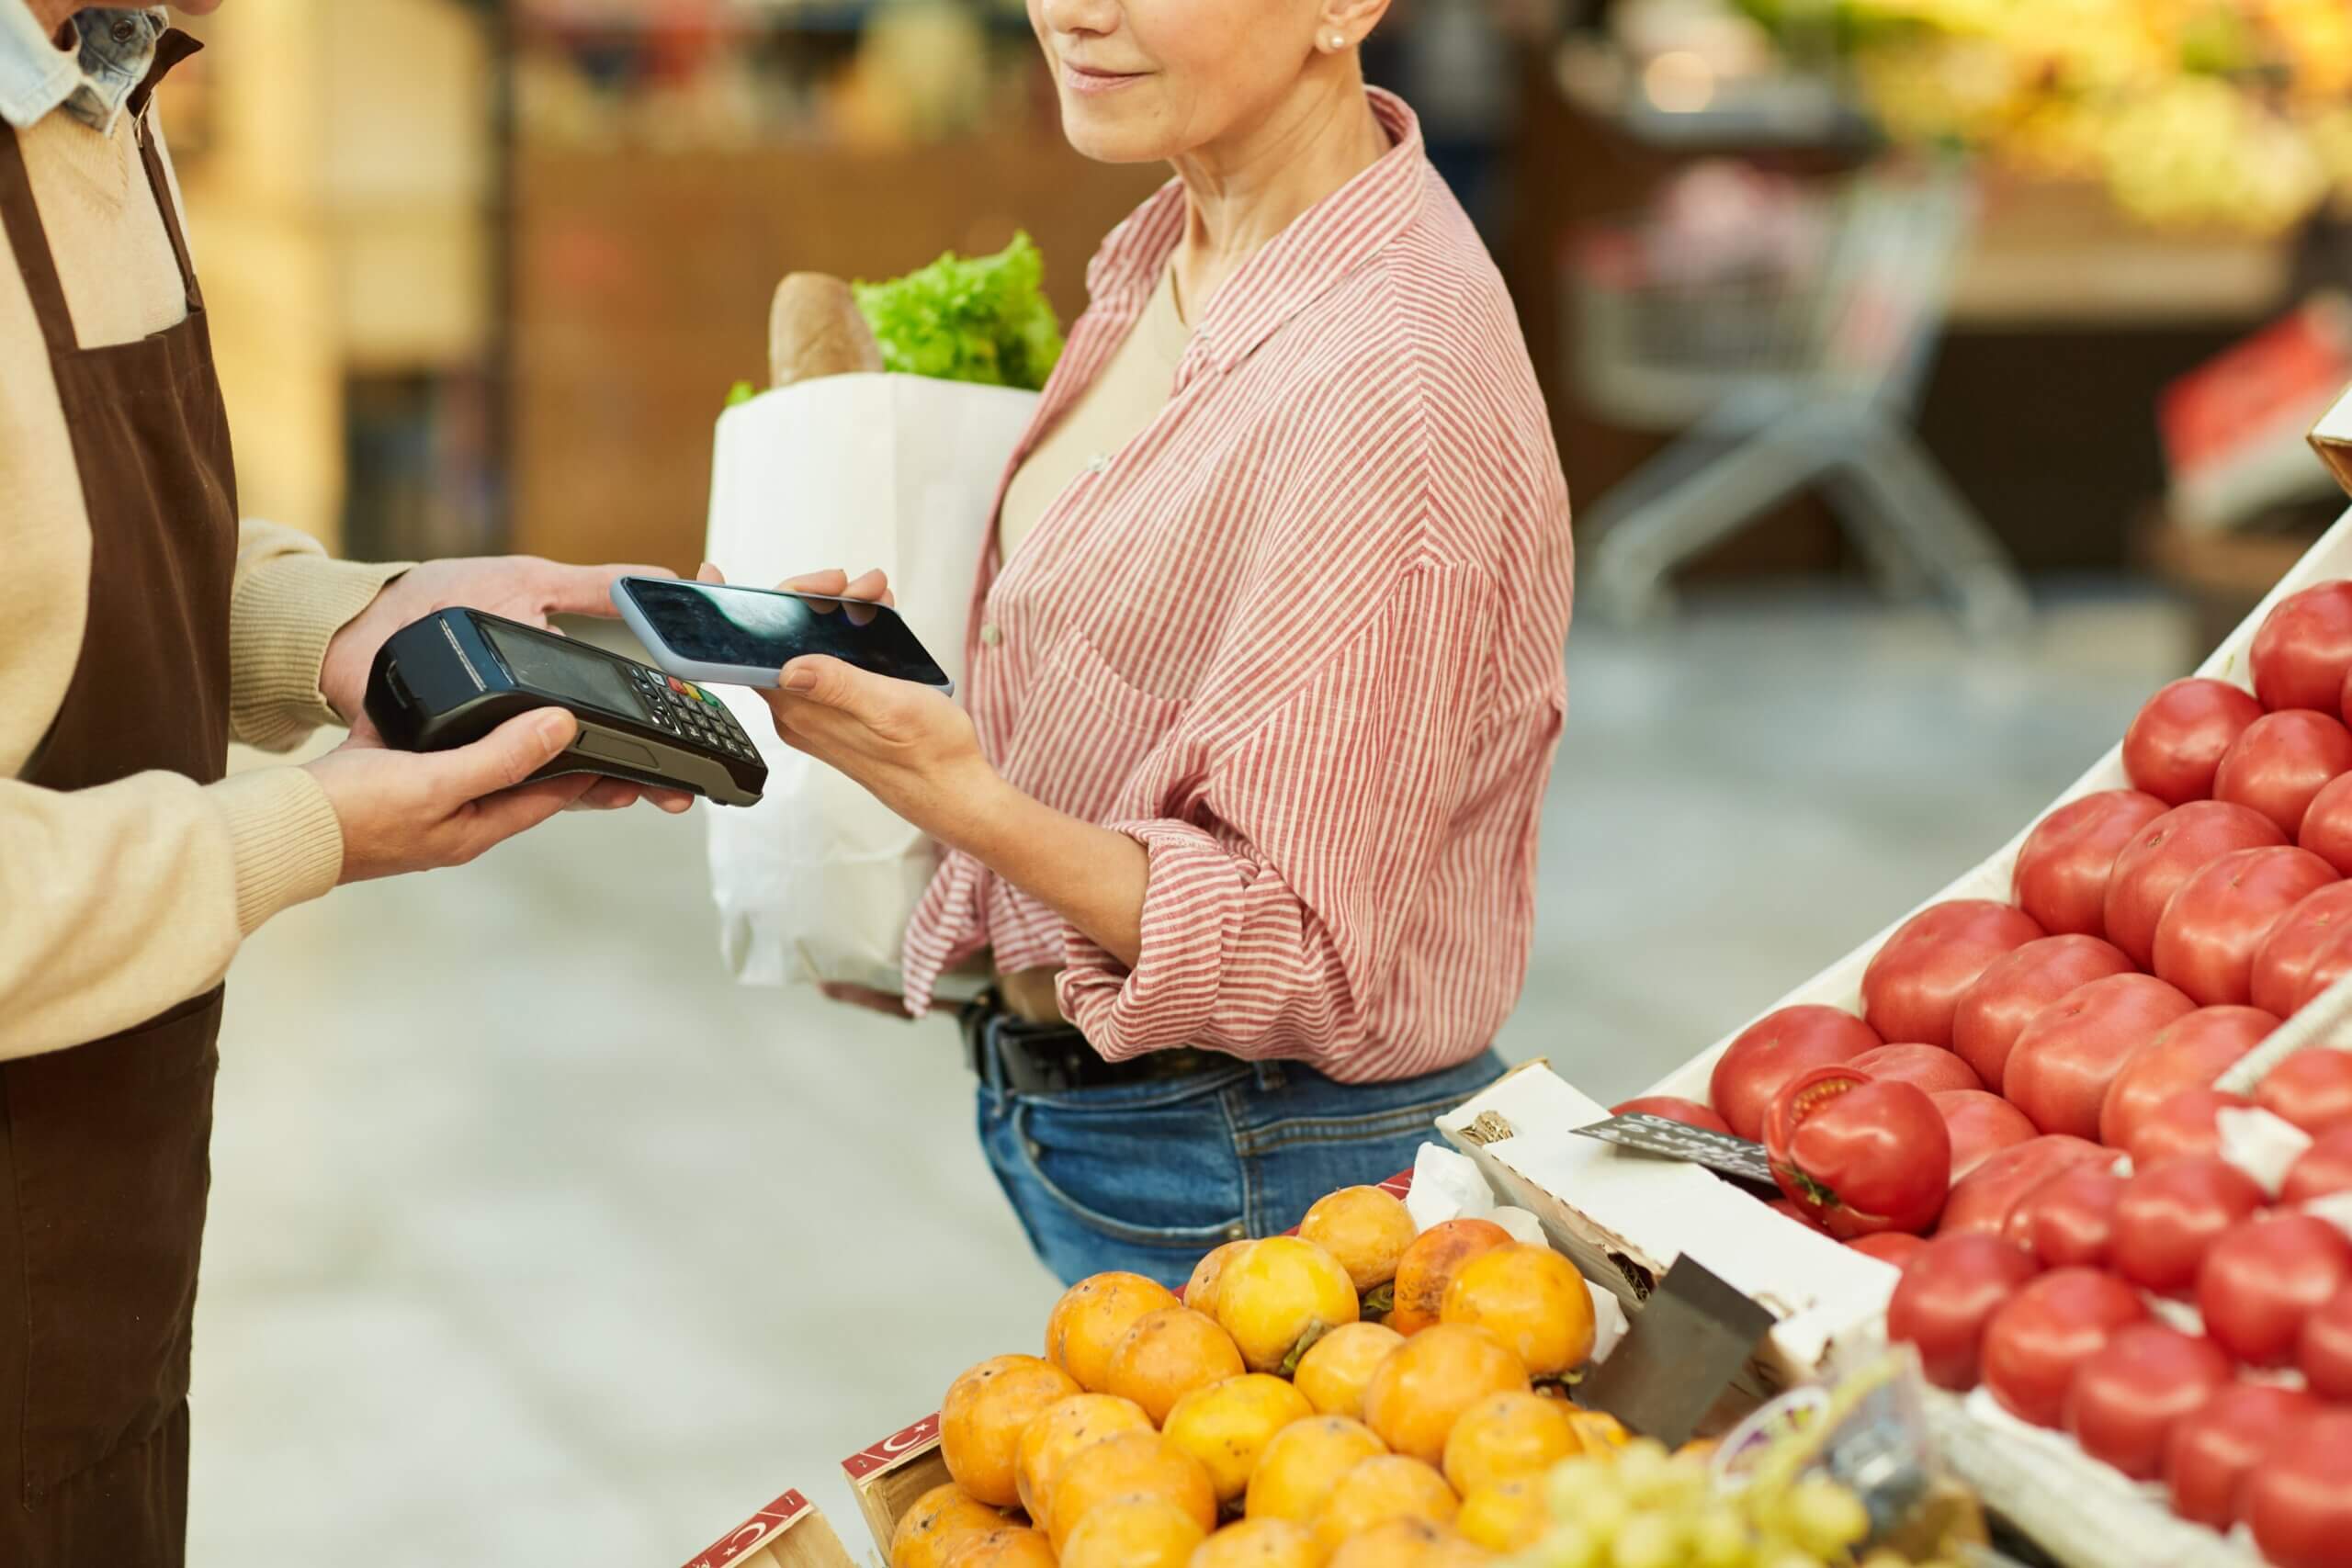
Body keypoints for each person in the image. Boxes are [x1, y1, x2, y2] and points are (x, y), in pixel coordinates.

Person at [738, 0, 1574, 1287]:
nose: (1075, 11)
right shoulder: (1179, 250)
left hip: (1271, 1176)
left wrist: (955, 799)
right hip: (1120, 1125)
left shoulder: (1390, 381)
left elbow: (1301, 943)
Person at [0, 4, 685, 1560]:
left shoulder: (103, 95)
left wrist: (362, 626)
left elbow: (65, 567)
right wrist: (303, 827)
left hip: (93, 1198)